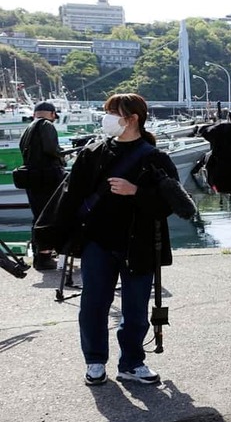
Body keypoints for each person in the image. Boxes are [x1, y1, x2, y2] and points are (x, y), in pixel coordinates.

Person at [65, 94, 178, 386]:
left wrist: (135, 192)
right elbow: (72, 197)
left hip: (138, 242)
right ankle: (94, 361)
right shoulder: (92, 153)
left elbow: (171, 204)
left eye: (113, 113)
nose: (107, 118)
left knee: (135, 307)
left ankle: (132, 361)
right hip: (97, 241)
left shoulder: (155, 158)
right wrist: (60, 235)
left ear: (132, 118)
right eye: (107, 112)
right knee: (93, 303)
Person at [18, 101, 66, 270]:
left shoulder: (28, 128)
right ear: (52, 114)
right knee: (48, 215)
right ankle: (45, 256)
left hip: (31, 177)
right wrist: (64, 155)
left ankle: (40, 252)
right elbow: (52, 149)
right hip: (47, 177)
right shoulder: (46, 125)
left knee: (37, 215)